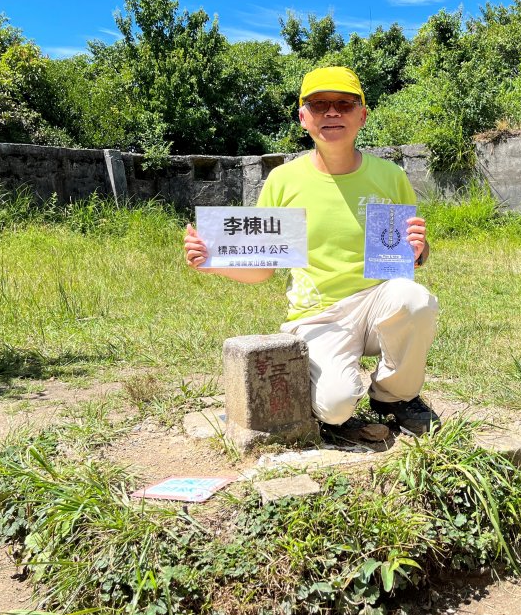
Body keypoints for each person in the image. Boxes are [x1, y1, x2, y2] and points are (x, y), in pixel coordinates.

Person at [183, 66, 440, 442]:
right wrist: (212, 260)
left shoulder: (390, 177)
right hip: (318, 315)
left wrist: (420, 249)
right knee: (336, 408)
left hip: (377, 303)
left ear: (362, 116)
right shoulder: (284, 181)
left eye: (344, 104)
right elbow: (263, 269)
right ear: (303, 117)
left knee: (416, 300)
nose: (332, 113)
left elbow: (410, 254)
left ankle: (394, 396)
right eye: (319, 105)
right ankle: (331, 381)